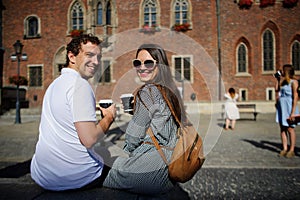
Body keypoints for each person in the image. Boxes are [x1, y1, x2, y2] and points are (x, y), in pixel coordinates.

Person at [30, 34, 116, 191]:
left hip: (42, 176)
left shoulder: (54, 85)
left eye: (98, 57)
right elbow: (89, 140)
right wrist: (109, 117)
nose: (96, 62)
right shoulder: (80, 85)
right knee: (132, 170)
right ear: (72, 56)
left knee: (102, 152)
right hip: (76, 178)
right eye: (89, 55)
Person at [103, 44, 187, 195]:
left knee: (98, 171)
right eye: (137, 63)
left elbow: (132, 138)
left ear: (159, 65)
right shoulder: (171, 90)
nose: (142, 67)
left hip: (148, 173)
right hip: (168, 170)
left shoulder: (148, 91)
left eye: (148, 63)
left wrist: (124, 158)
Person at [275, 64, 298, 158]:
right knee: (282, 128)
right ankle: (284, 148)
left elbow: (295, 97)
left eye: (283, 71)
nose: (282, 72)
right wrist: (277, 79)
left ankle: (291, 149)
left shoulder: (294, 82)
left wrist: (293, 112)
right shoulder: (283, 82)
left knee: (290, 129)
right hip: (282, 107)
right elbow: (277, 90)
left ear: (287, 71)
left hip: (289, 107)